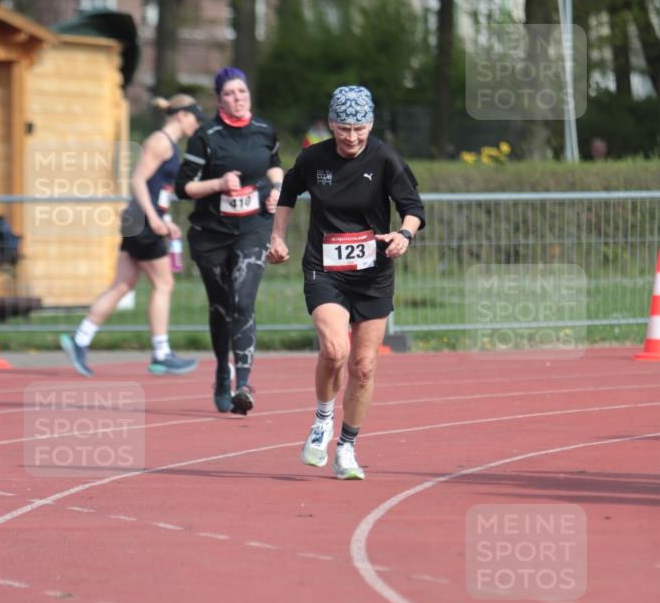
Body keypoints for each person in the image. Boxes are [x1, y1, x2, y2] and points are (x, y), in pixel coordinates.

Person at [267, 85, 425, 480]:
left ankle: (348, 447)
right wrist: (278, 236)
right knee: (335, 350)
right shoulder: (313, 158)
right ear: (331, 125)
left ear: (370, 124)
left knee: (364, 366)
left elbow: (413, 208)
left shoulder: (385, 157)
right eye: (343, 128)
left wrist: (403, 235)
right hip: (325, 268)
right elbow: (287, 191)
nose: (351, 137)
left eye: (359, 128)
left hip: (372, 274)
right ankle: (322, 421)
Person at [60, 94, 204, 377]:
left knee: (122, 284)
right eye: (196, 118)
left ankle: (80, 339)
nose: (197, 125)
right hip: (140, 221)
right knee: (164, 284)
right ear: (182, 115)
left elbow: (154, 188)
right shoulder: (161, 142)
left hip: (139, 219)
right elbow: (137, 180)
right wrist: (152, 218)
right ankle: (161, 353)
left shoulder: (169, 143)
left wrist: (164, 218)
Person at [175, 67, 283, 414]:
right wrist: (218, 184)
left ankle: (244, 384)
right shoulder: (207, 136)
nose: (237, 98)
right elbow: (184, 187)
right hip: (212, 234)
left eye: (242, 92)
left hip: (253, 228)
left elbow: (275, 166)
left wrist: (277, 190)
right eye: (229, 94)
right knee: (222, 307)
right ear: (219, 99)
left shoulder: (265, 131)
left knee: (244, 301)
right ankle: (223, 371)